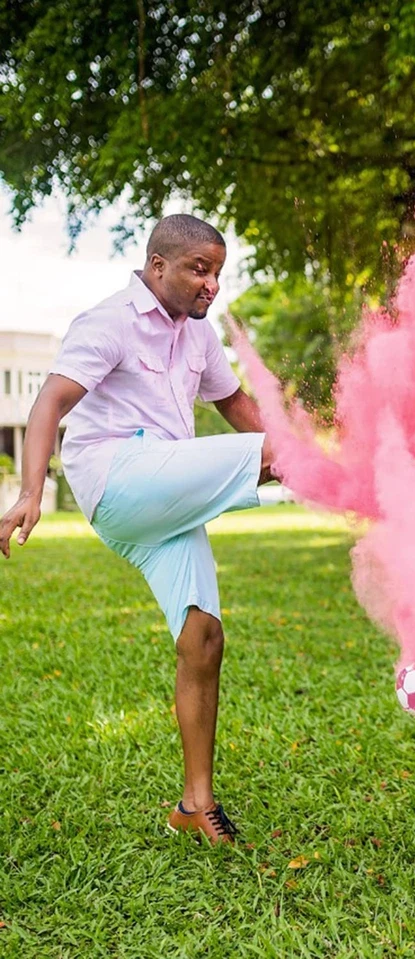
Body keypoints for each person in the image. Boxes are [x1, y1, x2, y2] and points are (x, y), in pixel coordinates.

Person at [0, 214, 274, 843]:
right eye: (198, 270)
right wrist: (31, 491)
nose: (211, 285)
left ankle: (194, 805)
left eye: (217, 273)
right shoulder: (110, 322)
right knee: (267, 456)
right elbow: (50, 401)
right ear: (157, 267)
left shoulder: (197, 337)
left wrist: (285, 443)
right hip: (117, 478)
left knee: (203, 636)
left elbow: (234, 404)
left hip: (164, 492)